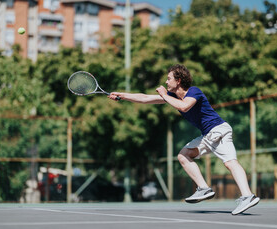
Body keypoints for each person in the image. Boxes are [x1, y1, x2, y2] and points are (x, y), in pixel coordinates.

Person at [108, 64, 259, 215]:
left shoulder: (194, 92)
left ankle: (245, 195)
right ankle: (208, 189)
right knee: (185, 155)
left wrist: (164, 95)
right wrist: (122, 95)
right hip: (211, 133)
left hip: (216, 130)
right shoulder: (172, 96)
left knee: (229, 162)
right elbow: (146, 98)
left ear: (178, 80)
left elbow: (184, 106)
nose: (166, 82)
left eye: (169, 79)